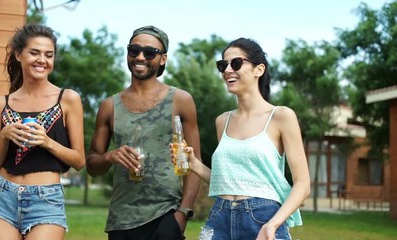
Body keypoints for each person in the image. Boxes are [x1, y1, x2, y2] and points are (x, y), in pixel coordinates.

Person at [172, 38, 311, 240]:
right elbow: (228, 181)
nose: (227, 70)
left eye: (236, 63)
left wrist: (272, 224)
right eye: (222, 65)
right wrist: (193, 164)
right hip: (220, 217)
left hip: (263, 219)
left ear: (259, 69)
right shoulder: (223, 121)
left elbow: (303, 185)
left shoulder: (281, 116)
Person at [86, 25, 201, 240]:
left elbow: (194, 164)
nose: (140, 57)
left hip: (167, 214)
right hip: (122, 219)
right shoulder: (109, 106)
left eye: (149, 53)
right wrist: (110, 156)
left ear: (163, 59)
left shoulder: (181, 100)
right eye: (134, 50)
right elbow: (92, 166)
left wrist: (183, 214)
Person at [0, 23, 86, 240]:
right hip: (4, 197)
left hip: (46, 200)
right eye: (35, 52)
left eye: (49, 55)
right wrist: (5, 136)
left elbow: (79, 161)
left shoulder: (67, 99)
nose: (42, 60)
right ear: (18, 54)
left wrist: (47, 141)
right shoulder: (0, 104)